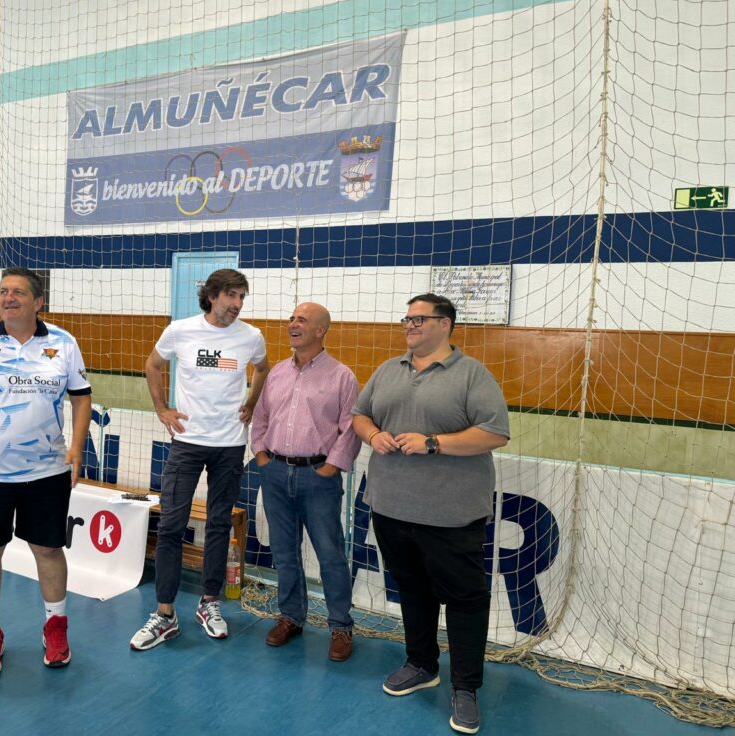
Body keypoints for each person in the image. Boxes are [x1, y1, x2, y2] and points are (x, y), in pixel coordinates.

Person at [351, 293, 509, 735]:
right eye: (407, 318)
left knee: (464, 600)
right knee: (413, 590)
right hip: (390, 507)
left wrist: (434, 442)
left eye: (419, 318)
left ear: (446, 325)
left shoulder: (472, 374)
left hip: (451, 515)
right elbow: (359, 415)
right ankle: (422, 664)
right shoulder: (388, 370)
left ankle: (465, 687)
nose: (410, 325)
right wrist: (374, 434)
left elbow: (495, 433)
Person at [0, 267, 92, 677]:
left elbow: (82, 399)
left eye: (19, 292)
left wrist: (76, 448)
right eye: (4, 291)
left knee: (48, 549)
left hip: (46, 471)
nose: (9, 298)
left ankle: (56, 626)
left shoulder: (64, 344)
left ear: (38, 302)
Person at [130, 268, 269, 650]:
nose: (237, 304)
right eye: (231, 295)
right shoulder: (180, 330)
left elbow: (263, 368)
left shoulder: (252, 337)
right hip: (187, 444)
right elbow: (152, 365)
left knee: (219, 525)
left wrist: (252, 402)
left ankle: (209, 603)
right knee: (172, 525)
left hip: (229, 446)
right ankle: (164, 614)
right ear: (211, 296)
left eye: (242, 296)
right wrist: (162, 409)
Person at [250, 302, 361, 661]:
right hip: (276, 474)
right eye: (292, 319)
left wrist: (331, 467)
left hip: (319, 478)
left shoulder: (342, 376)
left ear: (320, 330)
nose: (293, 324)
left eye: (303, 320)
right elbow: (261, 417)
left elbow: (350, 429)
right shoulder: (277, 373)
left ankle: (341, 625)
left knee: (330, 554)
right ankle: (291, 618)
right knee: (284, 553)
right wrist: (263, 457)